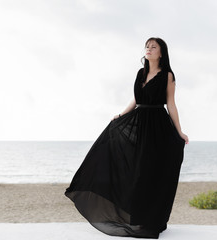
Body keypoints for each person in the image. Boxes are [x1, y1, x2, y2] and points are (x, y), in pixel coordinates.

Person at [65, 37, 188, 239]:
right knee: (137, 171)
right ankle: (137, 219)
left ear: (161, 53)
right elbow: (136, 99)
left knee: (150, 173)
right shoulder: (141, 73)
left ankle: (151, 220)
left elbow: (171, 105)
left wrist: (180, 132)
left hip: (158, 127)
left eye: (153, 47)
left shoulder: (167, 75)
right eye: (147, 46)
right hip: (140, 123)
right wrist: (122, 115)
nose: (148, 49)